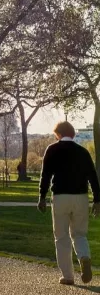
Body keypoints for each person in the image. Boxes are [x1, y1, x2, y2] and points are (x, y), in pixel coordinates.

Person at [39, 120, 100, 285]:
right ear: (73, 134)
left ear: (58, 134)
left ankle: (68, 276)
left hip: (60, 196)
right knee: (79, 234)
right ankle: (84, 257)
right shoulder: (83, 152)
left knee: (61, 237)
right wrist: (97, 199)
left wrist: (42, 197)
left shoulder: (52, 150)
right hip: (80, 196)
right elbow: (92, 176)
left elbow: (46, 175)